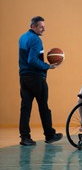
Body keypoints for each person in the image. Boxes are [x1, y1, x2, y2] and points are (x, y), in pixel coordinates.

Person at [18, 16, 63, 146]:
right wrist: (48, 66)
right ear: (33, 26)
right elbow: (31, 60)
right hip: (36, 79)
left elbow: (27, 58)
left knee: (25, 109)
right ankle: (50, 135)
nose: (44, 29)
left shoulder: (22, 37)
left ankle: (25, 137)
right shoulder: (36, 40)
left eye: (44, 26)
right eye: (41, 26)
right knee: (44, 108)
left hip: (24, 78)